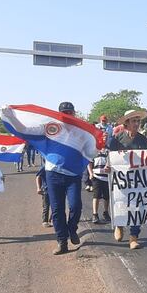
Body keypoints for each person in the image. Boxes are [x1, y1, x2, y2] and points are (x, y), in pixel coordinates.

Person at [46, 101, 85, 255]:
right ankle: (62, 241)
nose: (67, 115)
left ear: (74, 113)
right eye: (64, 112)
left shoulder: (82, 130)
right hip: (53, 173)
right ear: (59, 114)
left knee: (76, 206)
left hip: (73, 174)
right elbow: (28, 130)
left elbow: (91, 147)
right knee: (57, 210)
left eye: (70, 112)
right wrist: (11, 115)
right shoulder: (51, 128)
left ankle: (72, 229)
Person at [109, 109, 147, 249]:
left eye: (138, 121)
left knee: (137, 207)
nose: (137, 124)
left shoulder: (143, 140)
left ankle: (134, 236)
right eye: (134, 121)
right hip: (120, 180)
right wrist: (109, 167)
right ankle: (119, 225)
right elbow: (111, 157)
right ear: (127, 123)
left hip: (138, 179)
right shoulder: (116, 139)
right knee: (120, 204)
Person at [87, 147, 111, 225]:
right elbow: (89, 162)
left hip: (107, 177)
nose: (104, 138)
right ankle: (95, 214)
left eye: (106, 136)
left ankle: (106, 212)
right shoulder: (94, 149)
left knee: (107, 197)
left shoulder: (109, 150)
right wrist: (90, 173)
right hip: (96, 176)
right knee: (96, 195)